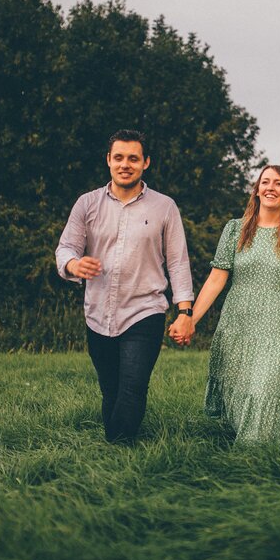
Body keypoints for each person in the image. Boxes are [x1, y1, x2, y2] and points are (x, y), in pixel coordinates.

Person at [56, 129, 194, 443]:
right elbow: (65, 248)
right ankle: (118, 450)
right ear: (108, 160)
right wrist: (74, 265)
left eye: (133, 158)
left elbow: (178, 262)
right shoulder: (87, 204)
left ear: (146, 162)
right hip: (98, 312)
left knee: (133, 386)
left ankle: (117, 449)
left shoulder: (165, 207)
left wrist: (184, 311)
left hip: (145, 311)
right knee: (111, 389)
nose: (125, 164)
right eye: (119, 157)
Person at [170, 165, 280, 444]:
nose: (270, 187)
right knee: (242, 382)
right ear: (257, 190)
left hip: (279, 322)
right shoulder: (236, 229)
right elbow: (215, 280)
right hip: (239, 319)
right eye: (265, 182)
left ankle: (252, 446)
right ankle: (249, 433)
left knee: (264, 386)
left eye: (279, 183)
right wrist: (190, 320)